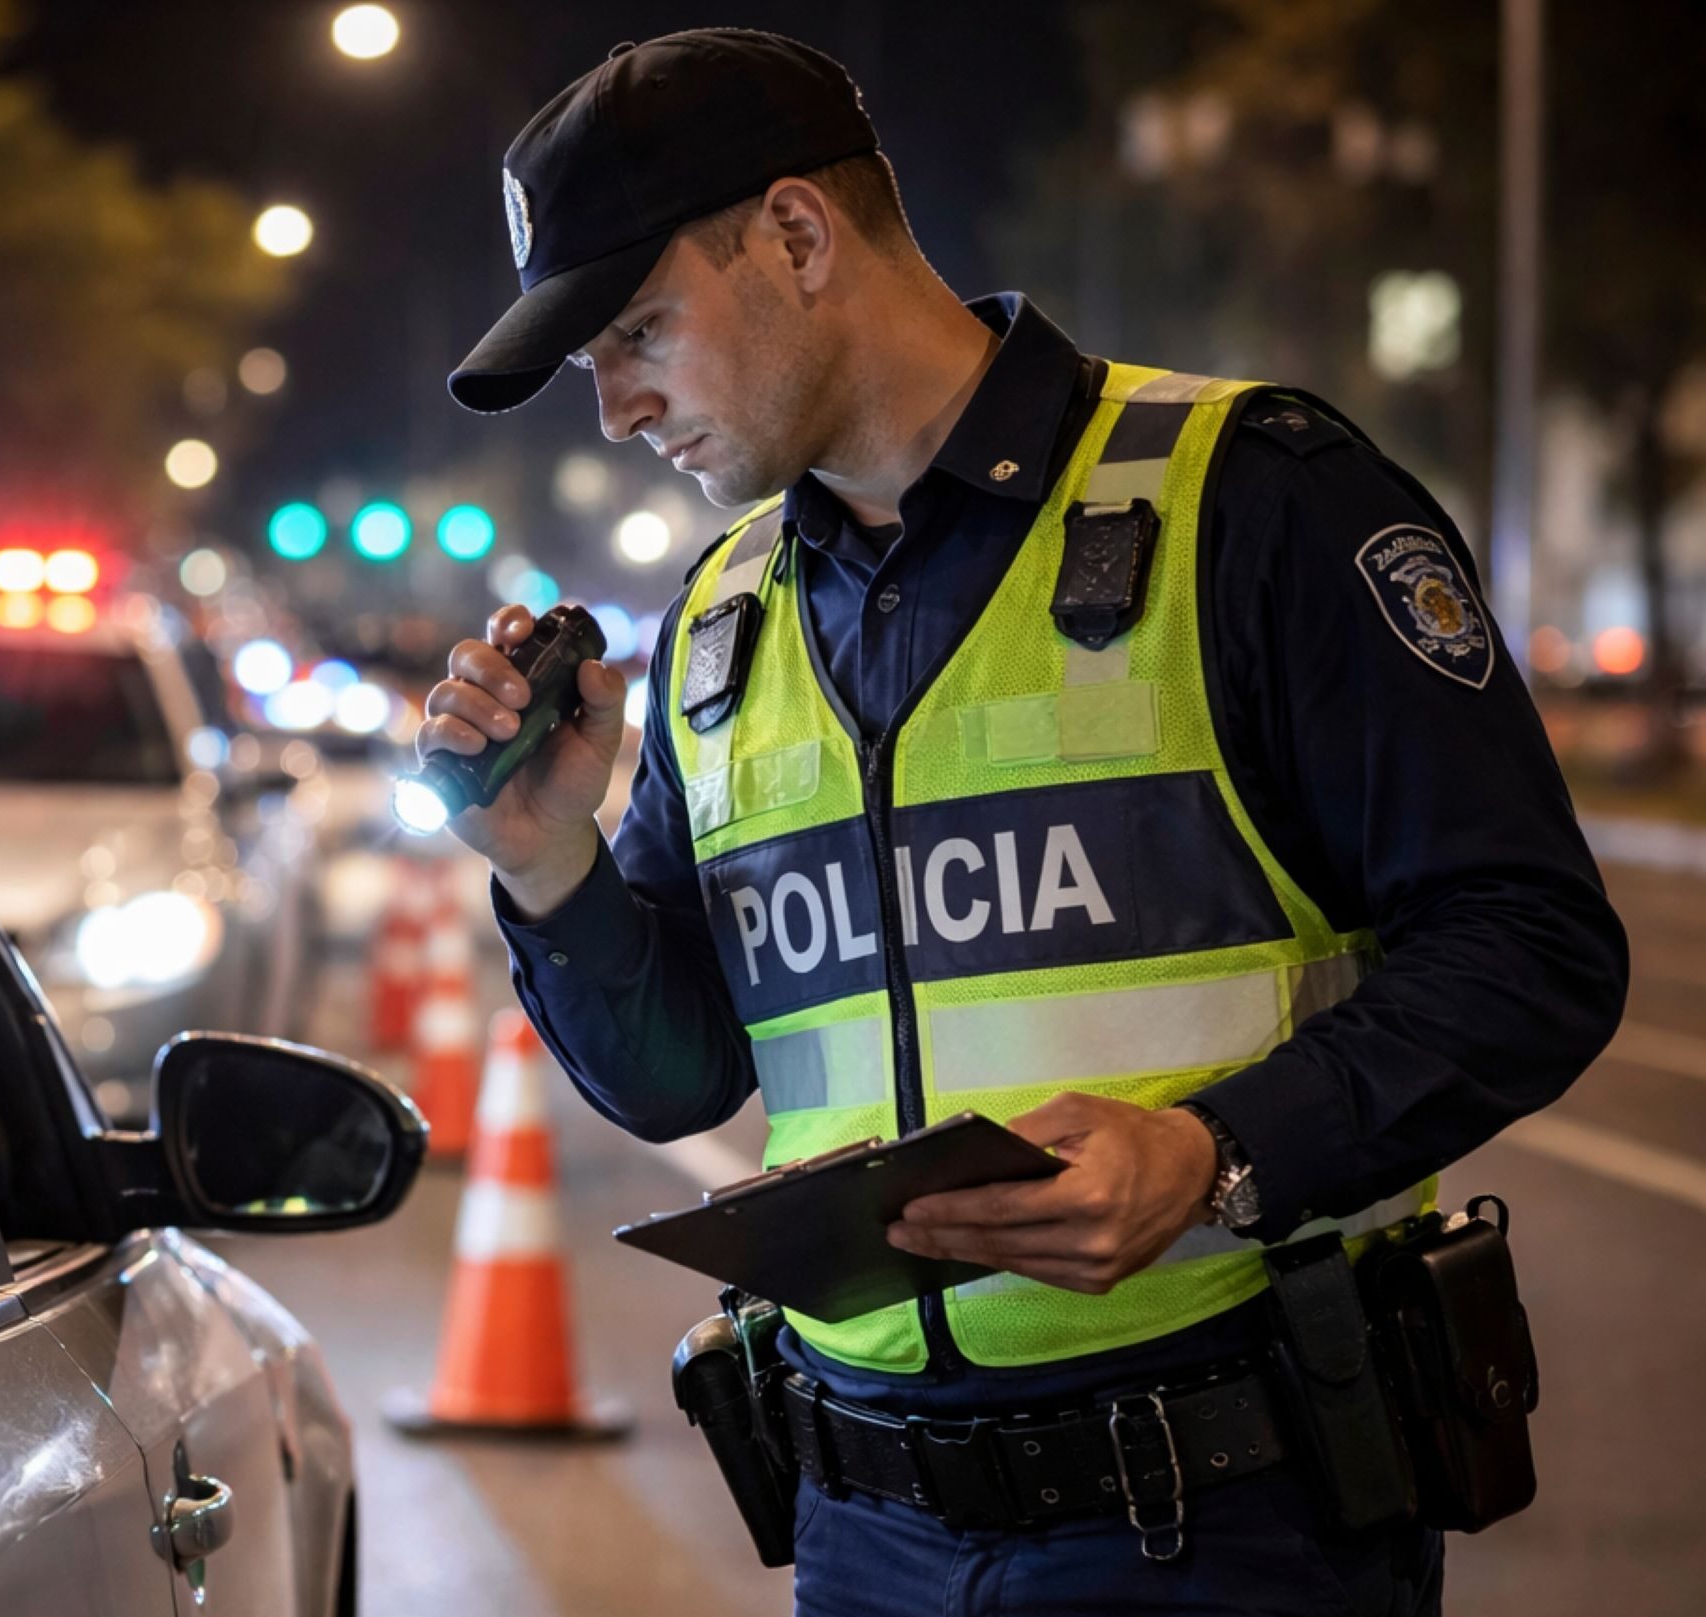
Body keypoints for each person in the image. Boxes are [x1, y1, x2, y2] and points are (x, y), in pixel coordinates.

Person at [424, 27, 1626, 1616]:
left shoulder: (1253, 500)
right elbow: (682, 1079)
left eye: (640, 331)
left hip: (1226, 1520)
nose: (619, 409)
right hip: (865, 1528)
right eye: (593, 368)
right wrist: (550, 861)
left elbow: (1533, 942)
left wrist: (1217, 1157)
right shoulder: (723, 622)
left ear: (797, 235)